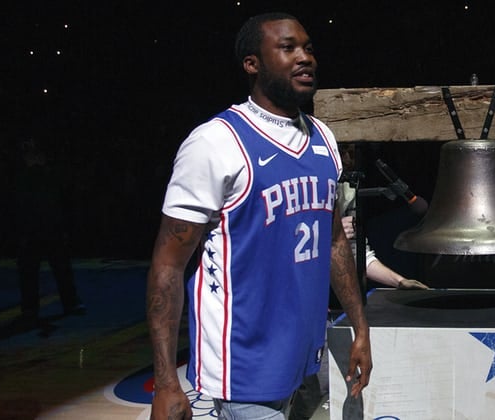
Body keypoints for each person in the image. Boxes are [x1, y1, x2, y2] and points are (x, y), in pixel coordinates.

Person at [146, 12, 372, 420]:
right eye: (288, 48)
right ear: (252, 64)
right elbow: (167, 265)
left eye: (308, 48)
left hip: (305, 359)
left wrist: (360, 328)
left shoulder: (323, 138)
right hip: (243, 368)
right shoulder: (215, 142)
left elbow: (335, 240)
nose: (305, 57)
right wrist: (165, 383)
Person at [288, 144, 428, 420]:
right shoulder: (303, 184)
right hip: (291, 308)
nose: (348, 158)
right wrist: (329, 229)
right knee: (297, 390)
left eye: (352, 151)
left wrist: (400, 281)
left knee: (327, 388)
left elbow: (356, 254)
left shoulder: (348, 189)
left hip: (328, 311)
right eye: (343, 150)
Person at [14, 137, 85, 328]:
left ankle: (69, 302)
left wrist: (64, 226)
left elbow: (62, 201)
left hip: (51, 227)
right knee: (30, 270)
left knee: (60, 267)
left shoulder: (49, 175)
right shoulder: (22, 177)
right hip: (31, 229)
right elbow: (15, 205)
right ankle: (30, 308)